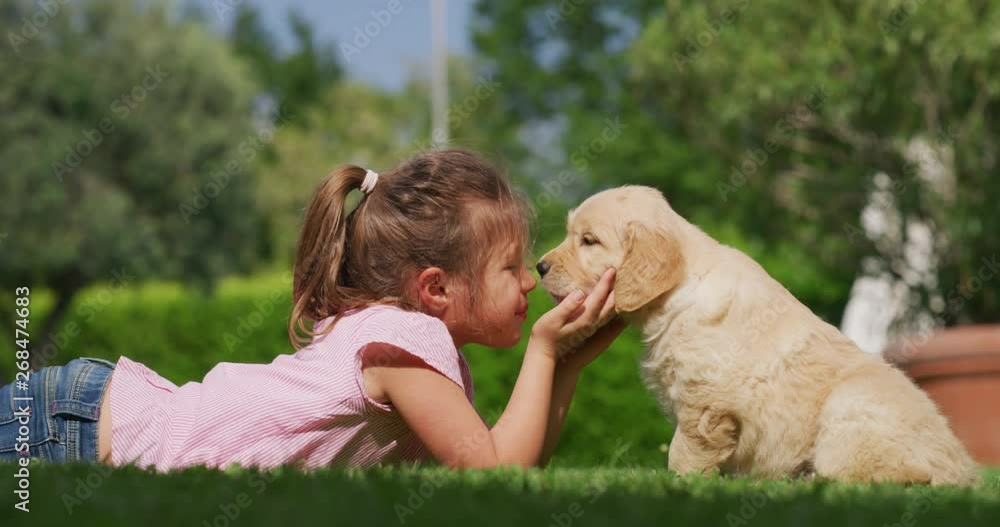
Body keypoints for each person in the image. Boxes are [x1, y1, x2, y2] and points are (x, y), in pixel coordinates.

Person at [0, 149, 625, 472]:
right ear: (436, 288)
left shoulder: (405, 343)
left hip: (85, 416)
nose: (529, 279)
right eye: (510, 267)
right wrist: (543, 349)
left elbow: (508, 468)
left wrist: (565, 365)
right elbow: (491, 470)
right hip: (76, 433)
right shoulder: (405, 342)